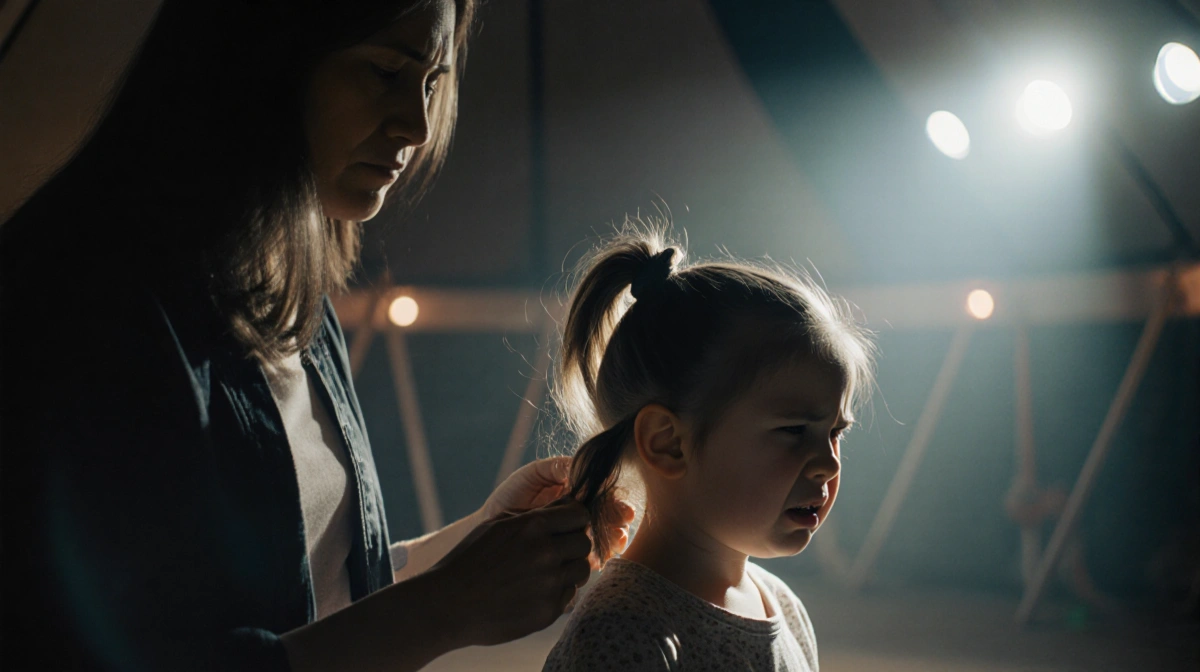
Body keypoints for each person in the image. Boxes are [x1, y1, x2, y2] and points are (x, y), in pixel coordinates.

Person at [0, 1, 630, 670]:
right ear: (259, 58)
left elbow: (305, 596)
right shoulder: (86, 307)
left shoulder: (290, 288)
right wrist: (447, 605)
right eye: (385, 72)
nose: (416, 125)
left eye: (432, 80)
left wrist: (472, 549)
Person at [542, 224, 877, 671]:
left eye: (836, 433)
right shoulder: (623, 635)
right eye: (795, 431)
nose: (827, 464)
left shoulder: (783, 606)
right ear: (668, 443)